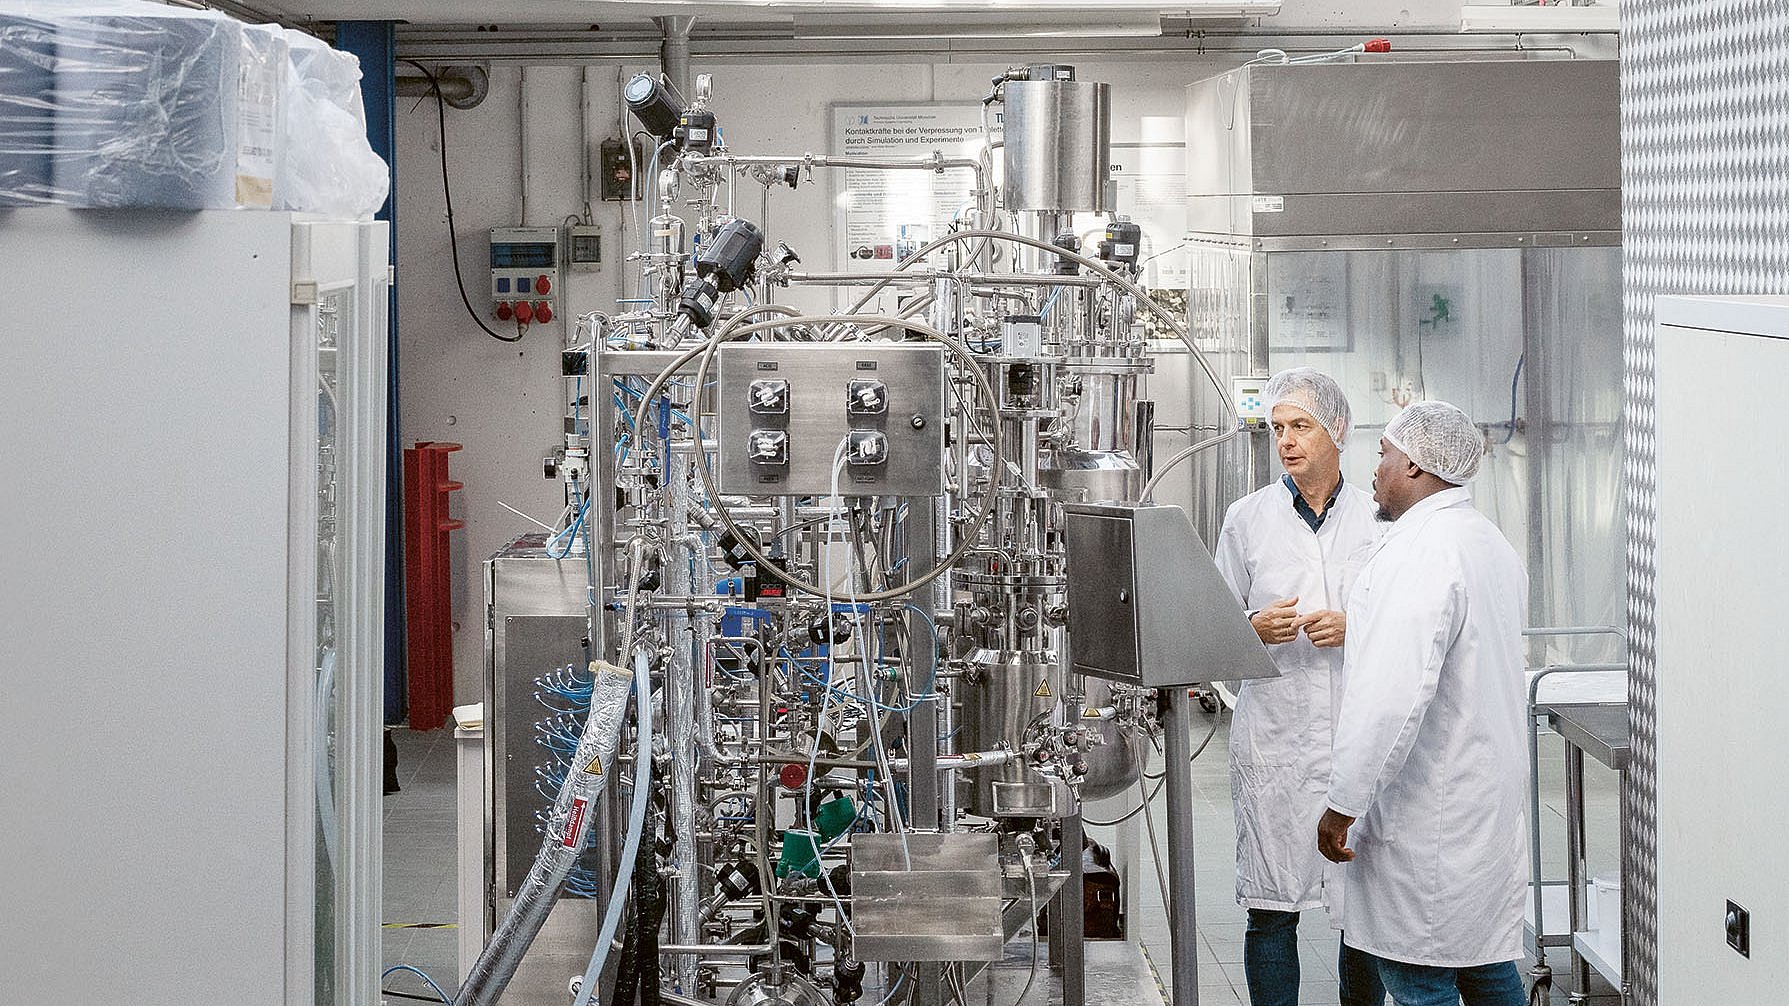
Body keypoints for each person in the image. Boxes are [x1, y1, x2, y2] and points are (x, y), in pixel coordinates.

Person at [1317, 401, 1530, 1006]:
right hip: (1481, 801)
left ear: (1412, 466)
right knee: (1484, 963)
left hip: (1430, 811)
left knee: (1417, 973)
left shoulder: (1420, 554)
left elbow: (1391, 700)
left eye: (1383, 454)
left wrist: (1341, 804)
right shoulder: (1487, 543)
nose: (1375, 470)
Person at [1214, 367, 1386, 1006]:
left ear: (1338, 431)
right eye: (1277, 428)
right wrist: (1252, 628)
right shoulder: (1247, 519)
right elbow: (1211, 627)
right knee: (1271, 908)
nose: (1286, 441)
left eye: (1301, 426)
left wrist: (1357, 627)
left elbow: (1414, 624)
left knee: (1362, 915)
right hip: (1277, 742)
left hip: (1357, 737)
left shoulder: (1380, 518)